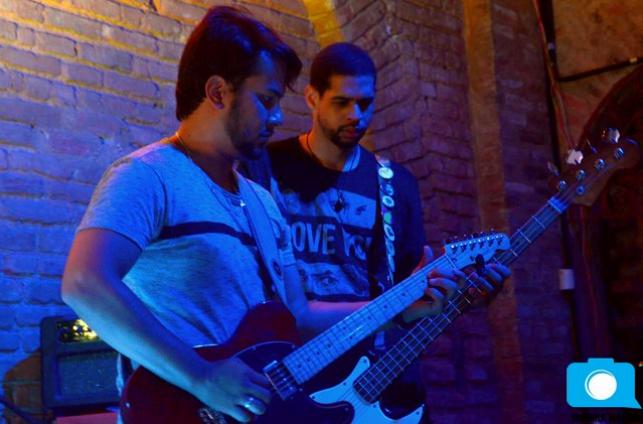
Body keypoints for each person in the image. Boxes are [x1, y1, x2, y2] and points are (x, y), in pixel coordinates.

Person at [61, 8, 461, 423]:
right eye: (267, 101)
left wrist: (398, 306)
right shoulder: (148, 175)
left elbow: (299, 316)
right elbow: (84, 283)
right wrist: (201, 376)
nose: (278, 117)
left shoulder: (262, 202)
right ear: (218, 92)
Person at [242, 42, 511, 420]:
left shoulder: (396, 185)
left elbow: (411, 299)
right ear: (312, 98)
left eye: (365, 103)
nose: (356, 115)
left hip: (372, 383)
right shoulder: (265, 168)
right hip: (290, 376)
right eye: (342, 102)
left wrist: (466, 294)